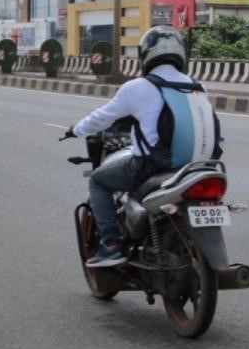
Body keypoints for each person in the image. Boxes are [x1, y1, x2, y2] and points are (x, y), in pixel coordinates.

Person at [66, 25, 218, 267]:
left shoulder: (138, 87)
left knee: (98, 181)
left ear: (145, 54)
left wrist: (76, 129)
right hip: (197, 166)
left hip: (155, 166)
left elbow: (102, 118)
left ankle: (111, 245)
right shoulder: (198, 86)